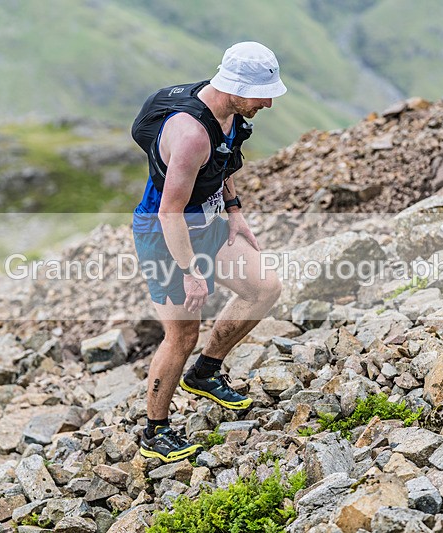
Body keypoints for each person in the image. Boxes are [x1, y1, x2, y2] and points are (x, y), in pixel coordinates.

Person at [130, 42, 287, 463]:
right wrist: (190, 271)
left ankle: (204, 373)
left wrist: (234, 210)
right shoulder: (190, 136)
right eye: (262, 93)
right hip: (167, 234)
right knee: (182, 334)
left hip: (211, 221)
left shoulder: (231, 113)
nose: (269, 102)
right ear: (235, 86)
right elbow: (169, 213)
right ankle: (154, 432)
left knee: (265, 288)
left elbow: (225, 163)